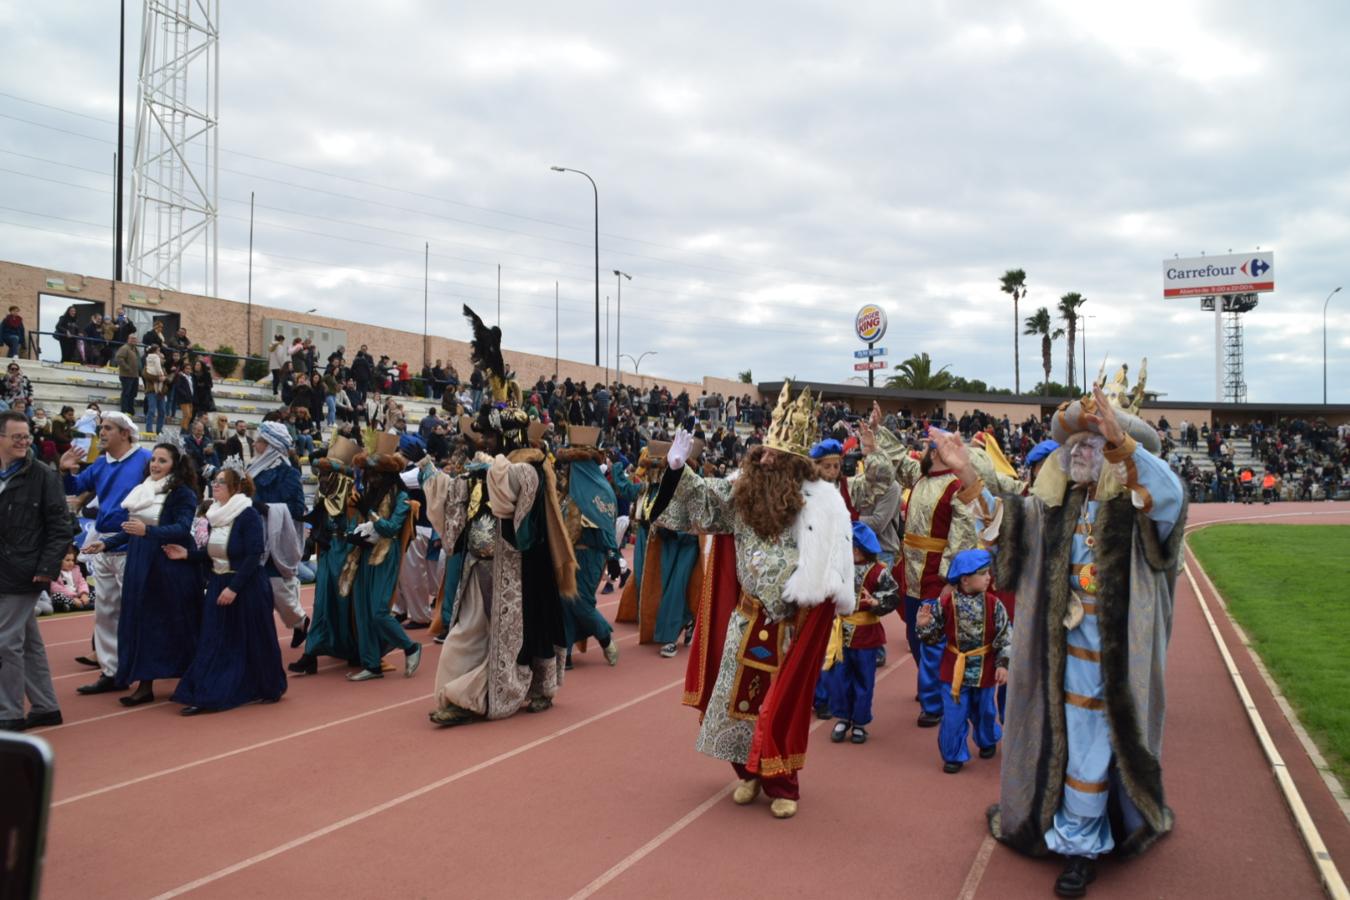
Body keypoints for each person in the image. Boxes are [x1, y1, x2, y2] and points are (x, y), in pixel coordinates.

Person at [931, 376, 1186, 899]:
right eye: (1076, 444)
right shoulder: (1057, 506)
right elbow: (1006, 526)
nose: (1080, 452)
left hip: (1113, 661)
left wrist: (1122, 443)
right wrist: (966, 474)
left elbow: (1170, 500)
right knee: (1062, 744)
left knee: (1095, 748)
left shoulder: (1140, 509)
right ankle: (1064, 825)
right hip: (1057, 653)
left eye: (1094, 444)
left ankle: (1080, 848)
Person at [651, 382, 854, 819]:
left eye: (772, 456)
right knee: (734, 706)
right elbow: (703, 503)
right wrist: (676, 470)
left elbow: (831, 565)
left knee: (779, 708)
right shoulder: (739, 494)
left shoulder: (821, 506)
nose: (761, 458)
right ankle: (746, 774)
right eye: (760, 451)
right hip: (744, 622)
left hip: (788, 626)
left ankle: (783, 783)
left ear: (792, 466)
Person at [423, 306, 575, 725]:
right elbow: (458, 498)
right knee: (465, 635)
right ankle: (459, 694)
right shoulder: (485, 463)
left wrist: (491, 465)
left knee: (524, 638)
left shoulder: (528, 465)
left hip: (518, 570)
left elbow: (511, 495)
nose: (481, 439)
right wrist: (432, 478)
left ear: (505, 436)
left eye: (488, 434)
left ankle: (506, 692)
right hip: (479, 567)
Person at [167, 467, 287, 714]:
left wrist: (234, 588)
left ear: (236, 488)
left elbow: (254, 555)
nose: (216, 484)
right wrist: (188, 554)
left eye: (221, 481)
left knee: (254, 639)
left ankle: (266, 686)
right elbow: (216, 554)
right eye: (215, 480)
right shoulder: (215, 514)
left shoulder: (248, 514)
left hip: (246, 587)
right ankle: (208, 691)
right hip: (220, 584)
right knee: (214, 639)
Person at [60, 411, 152, 695]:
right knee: (106, 612)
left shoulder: (146, 459)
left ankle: (143, 671)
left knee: (137, 611)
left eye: (108, 428)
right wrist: (65, 470)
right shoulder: (100, 463)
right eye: (101, 427)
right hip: (103, 544)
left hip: (134, 543)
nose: (101, 432)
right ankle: (111, 672)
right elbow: (76, 487)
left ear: (125, 433)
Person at [106, 443, 204, 706]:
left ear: (176, 464)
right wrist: (105, 544)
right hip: (141, 563)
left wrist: (148, 532)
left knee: (176, 624)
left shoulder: (183, 493)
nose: (155, 465)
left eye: (162, 461)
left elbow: (183, 528)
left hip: (170, 566)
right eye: (153, 460)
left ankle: (190, 678)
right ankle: (144, 683)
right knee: (141, 622)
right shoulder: (144, 489)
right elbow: (132, 527)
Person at [0, 411, 70, 730]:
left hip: (26, 571)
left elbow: (60, 527)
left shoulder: (43, 475)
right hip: (6, 568)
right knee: (27, 641)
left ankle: (9, 714)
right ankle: (45, 707)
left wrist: (46, 568)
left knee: (5, 642)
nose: (24, 442)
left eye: (26, 436)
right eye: (16, 437)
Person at [915, 548, 1009, 773]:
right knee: (954, 714)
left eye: (989, 572)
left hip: (984, 669)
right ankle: (953, 754)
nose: (989, 577)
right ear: (965, 580)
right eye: (983, 573)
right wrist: (924, 625)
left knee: (985, 710)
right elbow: (933, 637)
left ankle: (987, 740)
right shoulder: (945, 603)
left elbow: (1005, 635)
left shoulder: (995, 604)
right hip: (954, 669)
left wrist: (1002, 664)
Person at [341, 438, 423, 682]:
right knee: (363, 611)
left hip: (385, 555)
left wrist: (371, 512)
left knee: (378, 611)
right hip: (364, 553)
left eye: (375, 474)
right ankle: (372, 664)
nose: (371, 479)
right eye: (368, 474)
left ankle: (410, 647)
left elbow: (390, 529)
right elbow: (358, 524)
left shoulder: (402, 498)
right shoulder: (369, 494)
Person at [616, 443, 702, 658]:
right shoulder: (658, 486)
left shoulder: (698, 486)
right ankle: (683, 623)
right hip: (666, 541)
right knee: (664, 587)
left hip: (688, 543)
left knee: (677, 588)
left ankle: (670, 637)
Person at [824, 521, 902, 745]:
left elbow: (893, 596)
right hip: (840, 634)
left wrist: (876, 601)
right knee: (839, 678)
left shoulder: (878, 572)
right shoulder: (837, 569)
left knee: (864, 680)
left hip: (866, 636)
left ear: (858, 549)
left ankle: (859, 722)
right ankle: (842, 717)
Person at [289, 436, 361, 674]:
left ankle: (352, 649)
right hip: (329, 553)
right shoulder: (325, 496)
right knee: (322, 604)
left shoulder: (352, 498)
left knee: (344, 605)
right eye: (320, 475)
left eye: (326, 475)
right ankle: (311, 654)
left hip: (345, 555)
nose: (321, 480)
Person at [555, 426, 622, 669]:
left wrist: (614, 554)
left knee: (580, 602)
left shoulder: (600, 491)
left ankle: (605, 637)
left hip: (590, 554)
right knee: (563, 602)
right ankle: (566, 653)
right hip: (566, 554)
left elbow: (606, 525)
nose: (567, 469)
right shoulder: (569, 490)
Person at [247, 422, 310, 648]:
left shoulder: (288, 473)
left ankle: (301, 621)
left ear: (271, 445)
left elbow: (297, 508)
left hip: (276, 536)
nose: (255, 444)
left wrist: (266, 508)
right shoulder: (251, 470)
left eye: (260, 441)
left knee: (276, 585)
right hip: (253, 534)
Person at [113, 335, 141, 415]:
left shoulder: (135, 349)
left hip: (135, 375)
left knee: (133, 394)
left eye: (135, 339)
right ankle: (124, 410)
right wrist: (127, 367)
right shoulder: (124, 348)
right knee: (126, 393)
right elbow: (118, 358)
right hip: (126, 375)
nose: (133, 340)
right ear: (128, 339)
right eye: (132, 339)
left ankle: (130, 410)